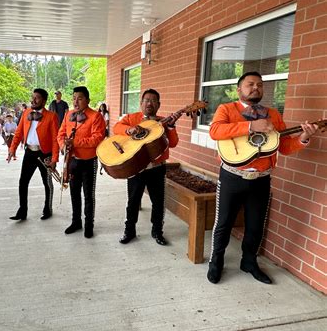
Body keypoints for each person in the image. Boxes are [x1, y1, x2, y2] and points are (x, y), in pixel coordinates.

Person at [207, 71, 319, 285]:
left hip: (262, 179)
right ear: (239, 89)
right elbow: (215, 131)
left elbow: (283, 146)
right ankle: (216, 262)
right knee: (223, 223)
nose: (255, 87)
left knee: (256, 225)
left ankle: (249, 262)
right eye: (250, 84)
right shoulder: (227, 109)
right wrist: (250, 126)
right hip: (232, 176)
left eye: (260, 84)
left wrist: (304, 137)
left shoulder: (273, 115)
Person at [113, 89, 180, 246]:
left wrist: (171, 127)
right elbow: (117, 127)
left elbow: (174, 143)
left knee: (158, 202)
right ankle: (129, 231)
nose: (149, 103)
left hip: (157, 168)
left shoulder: (163, 122)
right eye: (146, 100)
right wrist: (129, 130)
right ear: (141, 103)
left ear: (159, 105)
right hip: (135, 167)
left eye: (153, 100)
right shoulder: (132, 118)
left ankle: (157, 231)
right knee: (133, 201)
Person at [57, 86, 106, 238]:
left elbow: (97, 138)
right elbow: (61, 134)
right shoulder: (68, 114)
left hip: (88, 161)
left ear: (87, 100)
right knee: (74, 192)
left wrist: (75, 142)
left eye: (79, 98)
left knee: (88, 195)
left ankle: (89, 225)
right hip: (72, 160)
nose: (75, 101)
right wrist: (64, 146)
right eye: (73, 98)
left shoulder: (96, 116)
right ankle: (76, 221)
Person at [7, 88, 59, 221]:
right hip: (29, 152)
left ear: (44, 101)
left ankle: (48, 208)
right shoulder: (26, 113)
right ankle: (22, 211)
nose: (33, 100)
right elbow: (18, 133)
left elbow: (55, 140)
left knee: (47, 183)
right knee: (23, 182)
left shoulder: (51, 116)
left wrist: (54, 159)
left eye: (37, 98)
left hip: (44, 154)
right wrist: (12, 149)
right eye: (32, 97)